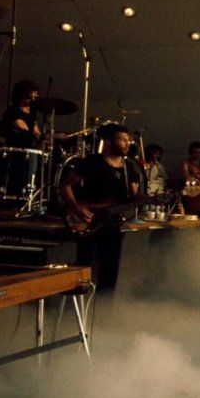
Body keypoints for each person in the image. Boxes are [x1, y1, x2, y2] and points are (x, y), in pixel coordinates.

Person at [58, 123, 142, 292]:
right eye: (123, 140)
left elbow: (133, 198)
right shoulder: (92, 162)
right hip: (89, 222)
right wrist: (76, 207)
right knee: (85, 270)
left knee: (110, 273)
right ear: (109, 142)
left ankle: (105, 309)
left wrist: (151, 200)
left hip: (113, 224)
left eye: (128, 140)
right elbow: (65, 185)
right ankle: (79, 309)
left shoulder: (129, 167)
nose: (128, 143)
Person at [1, 79, 41, 148]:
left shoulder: (32, 111)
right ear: (21, 95)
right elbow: (25, 131)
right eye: (29, 97)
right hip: (16, 148)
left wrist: (51, 137)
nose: (33, 99)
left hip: (29, 148)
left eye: (34, 97)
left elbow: (36, 131)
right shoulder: (12, 111)